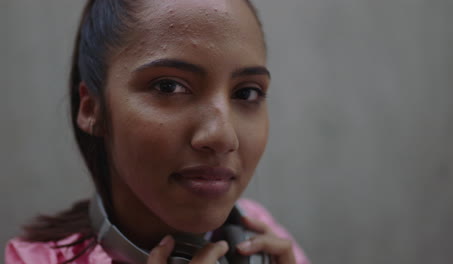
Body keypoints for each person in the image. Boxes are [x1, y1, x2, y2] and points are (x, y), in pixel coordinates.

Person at [5, 0, 311, 263]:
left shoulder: (264, 235)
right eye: (169, 86)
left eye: (246, 93)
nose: (222, 137)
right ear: (91, 108)